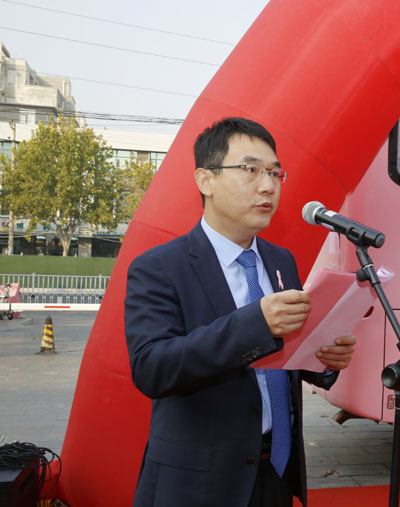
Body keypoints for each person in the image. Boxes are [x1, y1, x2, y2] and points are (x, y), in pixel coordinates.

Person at [124, 117, 356, 507]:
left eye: (275, 173)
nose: (268, 186)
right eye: (251, 170)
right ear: (206, 180)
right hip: (201, 484)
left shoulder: (281, 260)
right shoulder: (159, 267)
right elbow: (152, 368)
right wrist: (254, 323)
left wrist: (323, 360)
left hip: (275, 471)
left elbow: (283, 352)